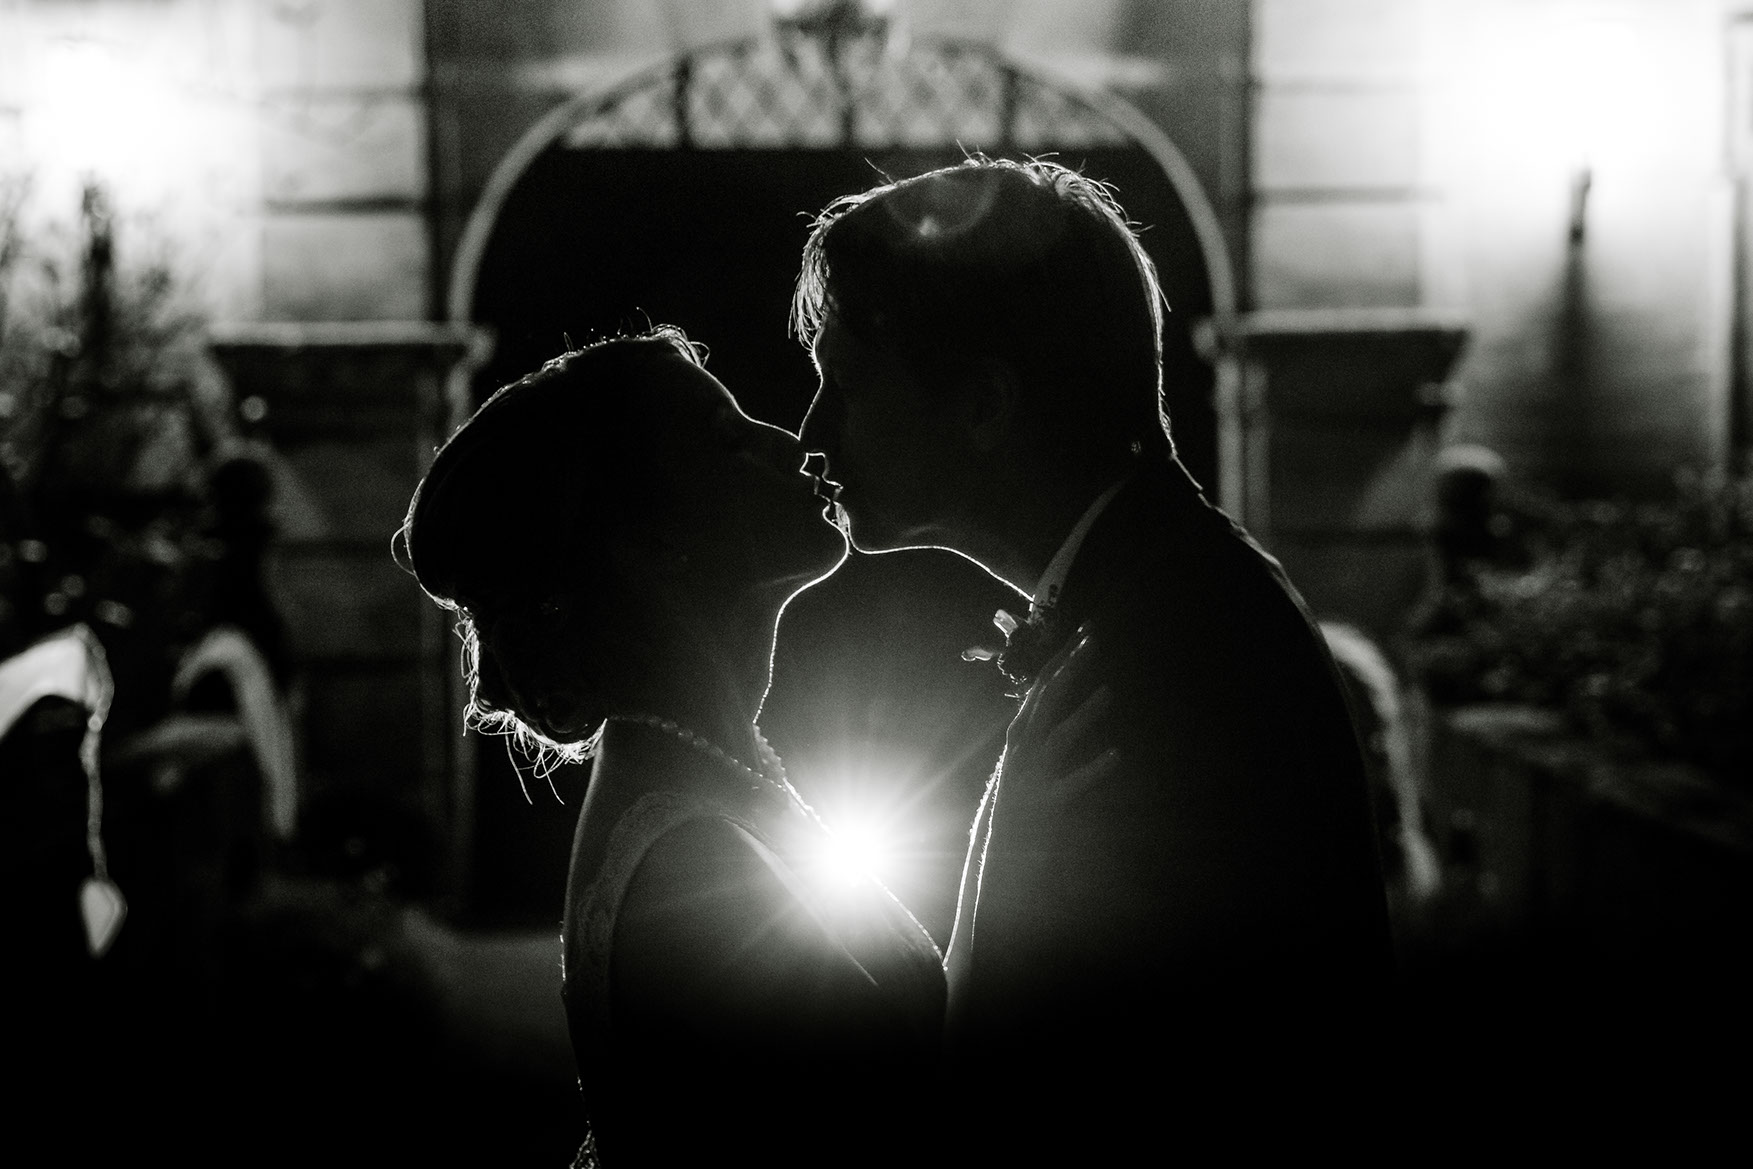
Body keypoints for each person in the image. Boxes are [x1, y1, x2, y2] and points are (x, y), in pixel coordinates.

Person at [793, 157, 1395, 1146]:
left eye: (845, 384)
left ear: (983, 406)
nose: (811, 432)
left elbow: (1073, 1078)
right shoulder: (1154, 589)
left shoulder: (1167, 651)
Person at [397, 329, 945, 1167]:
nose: (787, 442)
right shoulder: (692, 865)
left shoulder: (702, 774)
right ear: (654, 542)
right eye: (728, 441)